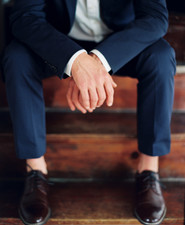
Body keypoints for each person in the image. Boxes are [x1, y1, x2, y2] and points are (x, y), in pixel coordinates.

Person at [2, 0, 176, 225]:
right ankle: (35, 169)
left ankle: (149, 170)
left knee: (161, 56)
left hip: (119, 41)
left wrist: (97, 61)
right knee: (16, 56)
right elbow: (24, 18)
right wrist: (74, 60)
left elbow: (156, 18)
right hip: (60, 41)